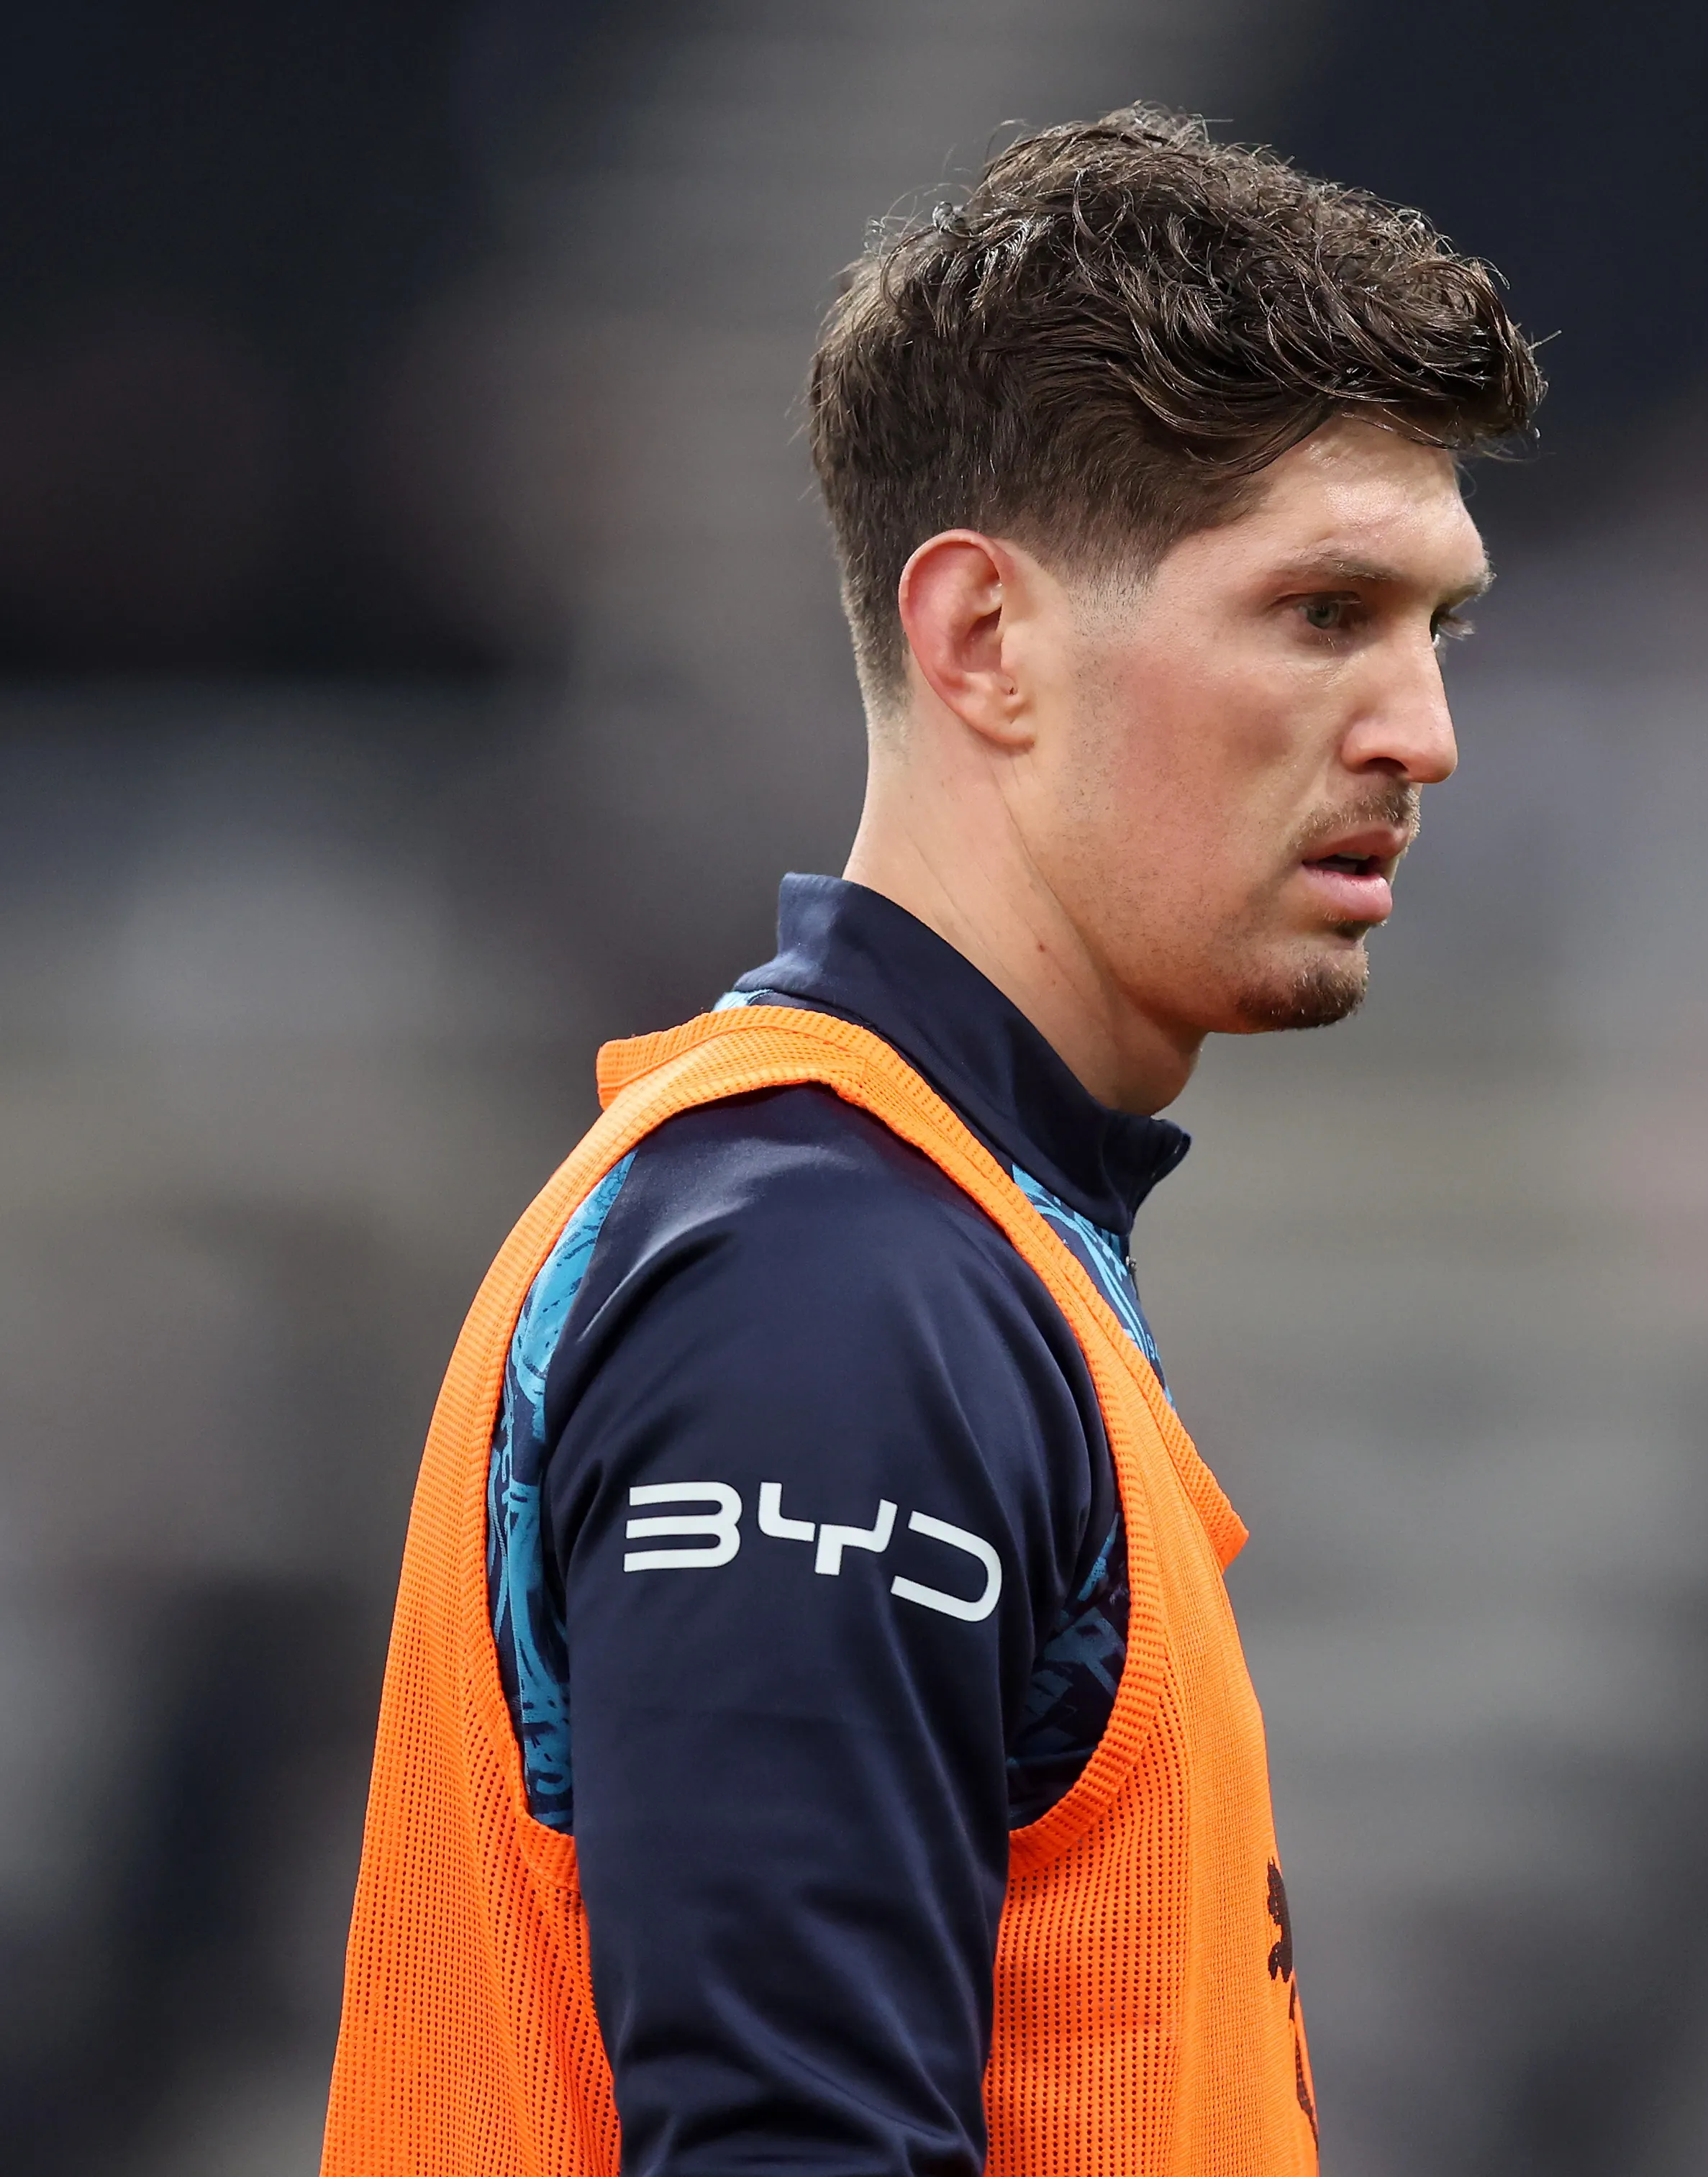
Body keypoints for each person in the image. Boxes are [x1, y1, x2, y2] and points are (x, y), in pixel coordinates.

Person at [322, 108, 1540, 2175]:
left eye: (1444, 625)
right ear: (984, 640)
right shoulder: (831, 1292)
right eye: (1326, 612)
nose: (1422, 729)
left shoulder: (935, 1246)